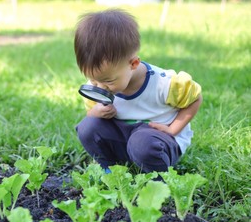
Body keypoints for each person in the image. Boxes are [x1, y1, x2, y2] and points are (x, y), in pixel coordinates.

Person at [74, 9, 202, 173]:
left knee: (141, 142)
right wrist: (96, 112)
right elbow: (92, 117)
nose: (99, 87)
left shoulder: (164, 83)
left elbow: (195, 99)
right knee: (87, 127)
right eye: (93, 80)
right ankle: (109, 169)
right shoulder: (100, 83)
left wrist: (173, 130)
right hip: (123, 138)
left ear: (133, 64)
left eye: (108, 81)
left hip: (157, 141)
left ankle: (157, 179)